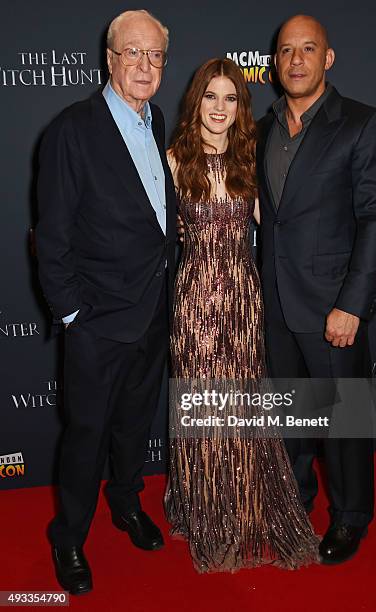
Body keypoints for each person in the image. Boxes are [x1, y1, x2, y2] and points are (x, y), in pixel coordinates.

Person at [36, 10, 176, 594]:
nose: (145, 67)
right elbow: (52, 234)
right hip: (96, 320)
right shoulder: (72, 128)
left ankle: (125, 504)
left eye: (156, 57)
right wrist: (71, 314)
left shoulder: (157, 119)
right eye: (134, 54)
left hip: (152, 311)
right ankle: (69, 536)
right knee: (86, 433)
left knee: (133, 426)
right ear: (110, 58)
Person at [164, 58, 320, 573]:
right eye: (211, 96)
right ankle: (205, 507)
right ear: (196, 101)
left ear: (240, 108)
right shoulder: (172, 160)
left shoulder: (252, 159)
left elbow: (283, 226)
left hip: (241, 299)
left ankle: (246, 505)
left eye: (231, 98)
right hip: (192, 301)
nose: (220, 108)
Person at [257, 15, 376, 564]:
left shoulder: (364, 123)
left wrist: (352, 305)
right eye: (286, 50)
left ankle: (351, 517)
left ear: (328, 59)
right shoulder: (263, 127)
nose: (296, 60)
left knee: (344, 422)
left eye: (308, 49)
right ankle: (294, 504)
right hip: (275, 303)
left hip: (333, 307)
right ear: (275, 63)